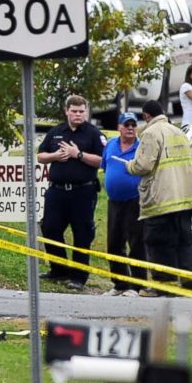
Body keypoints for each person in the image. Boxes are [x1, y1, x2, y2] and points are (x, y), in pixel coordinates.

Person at [125, 99, 192, 296]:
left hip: (162, 199)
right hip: (184, 199)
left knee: (158, 241)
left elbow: (143, 165)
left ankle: (164, 284)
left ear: (145, 116)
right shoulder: (178, 131)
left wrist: (129, 165)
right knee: (183, 241)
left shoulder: (151, 133)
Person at [36, 95, 106, 291]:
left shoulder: (93, 134)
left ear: (86, 112)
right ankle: (58, 270)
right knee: (50, 229)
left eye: (81, 111)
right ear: (66, 111)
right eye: (74, 111)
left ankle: (78, 277)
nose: (78, 115)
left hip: (83, 191)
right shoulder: (56, 132)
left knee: (82, 234)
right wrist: (55, 156)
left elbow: (103, 160)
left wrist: (79, 155)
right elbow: (41, 156)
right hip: (57, 191)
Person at [100, 111, 147, 296]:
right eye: (126, 125)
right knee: (114, 243)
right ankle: (119, 284)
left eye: (133, 125)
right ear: (119, 127)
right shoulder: (111, 144)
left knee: (136, 243)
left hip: (134, 201)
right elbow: (105, 166)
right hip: (114, 201)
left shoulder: (141, 147)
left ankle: (136, 285)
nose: (130, 128)